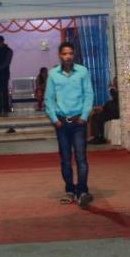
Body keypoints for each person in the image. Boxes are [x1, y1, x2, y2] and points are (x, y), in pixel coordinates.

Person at [43, 42, 94, 207]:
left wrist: (85, 116)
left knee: (81, 158)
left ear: (74, 54)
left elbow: (89, 94)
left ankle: (83, 191)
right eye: (65, 54)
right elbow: (48, 99)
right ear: (60, 55)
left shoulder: (82, 71)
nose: (68, 56)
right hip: (62, 123)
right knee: (65, 159)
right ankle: (70, 190)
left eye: (71, 53)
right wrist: (54, 119)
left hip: (79, 121)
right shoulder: (53, 74)